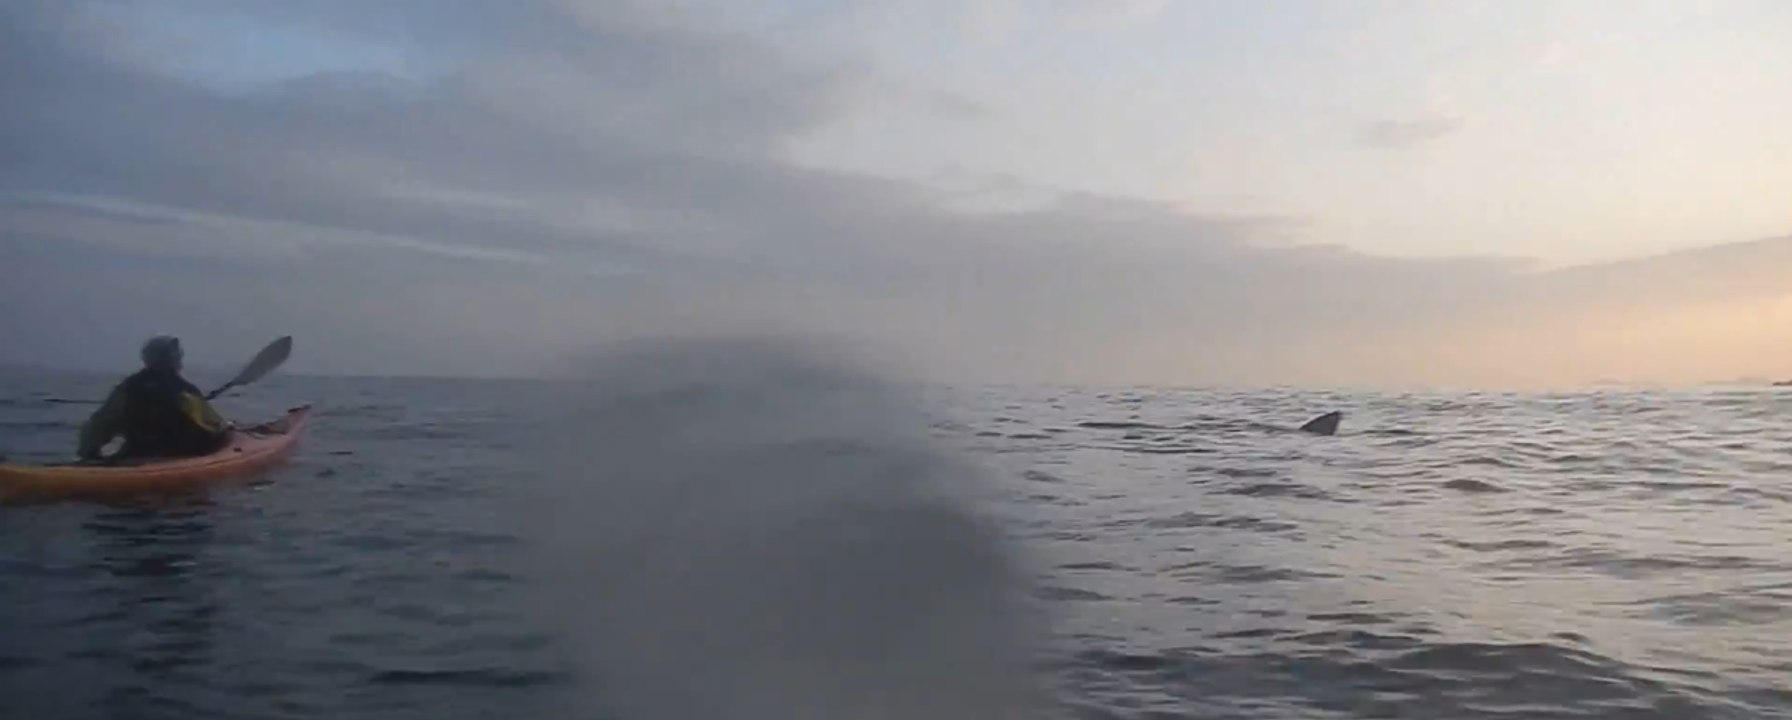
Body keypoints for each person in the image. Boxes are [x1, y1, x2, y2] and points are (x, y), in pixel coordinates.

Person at [77, 336, 230, 461]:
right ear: (173, 359)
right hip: (178, 457)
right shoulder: (184, 390)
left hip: (137, 454)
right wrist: (225, 429)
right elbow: (212, 428)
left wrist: (89, 453)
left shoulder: (128, 387)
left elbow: (100, 424)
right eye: (176, 355)